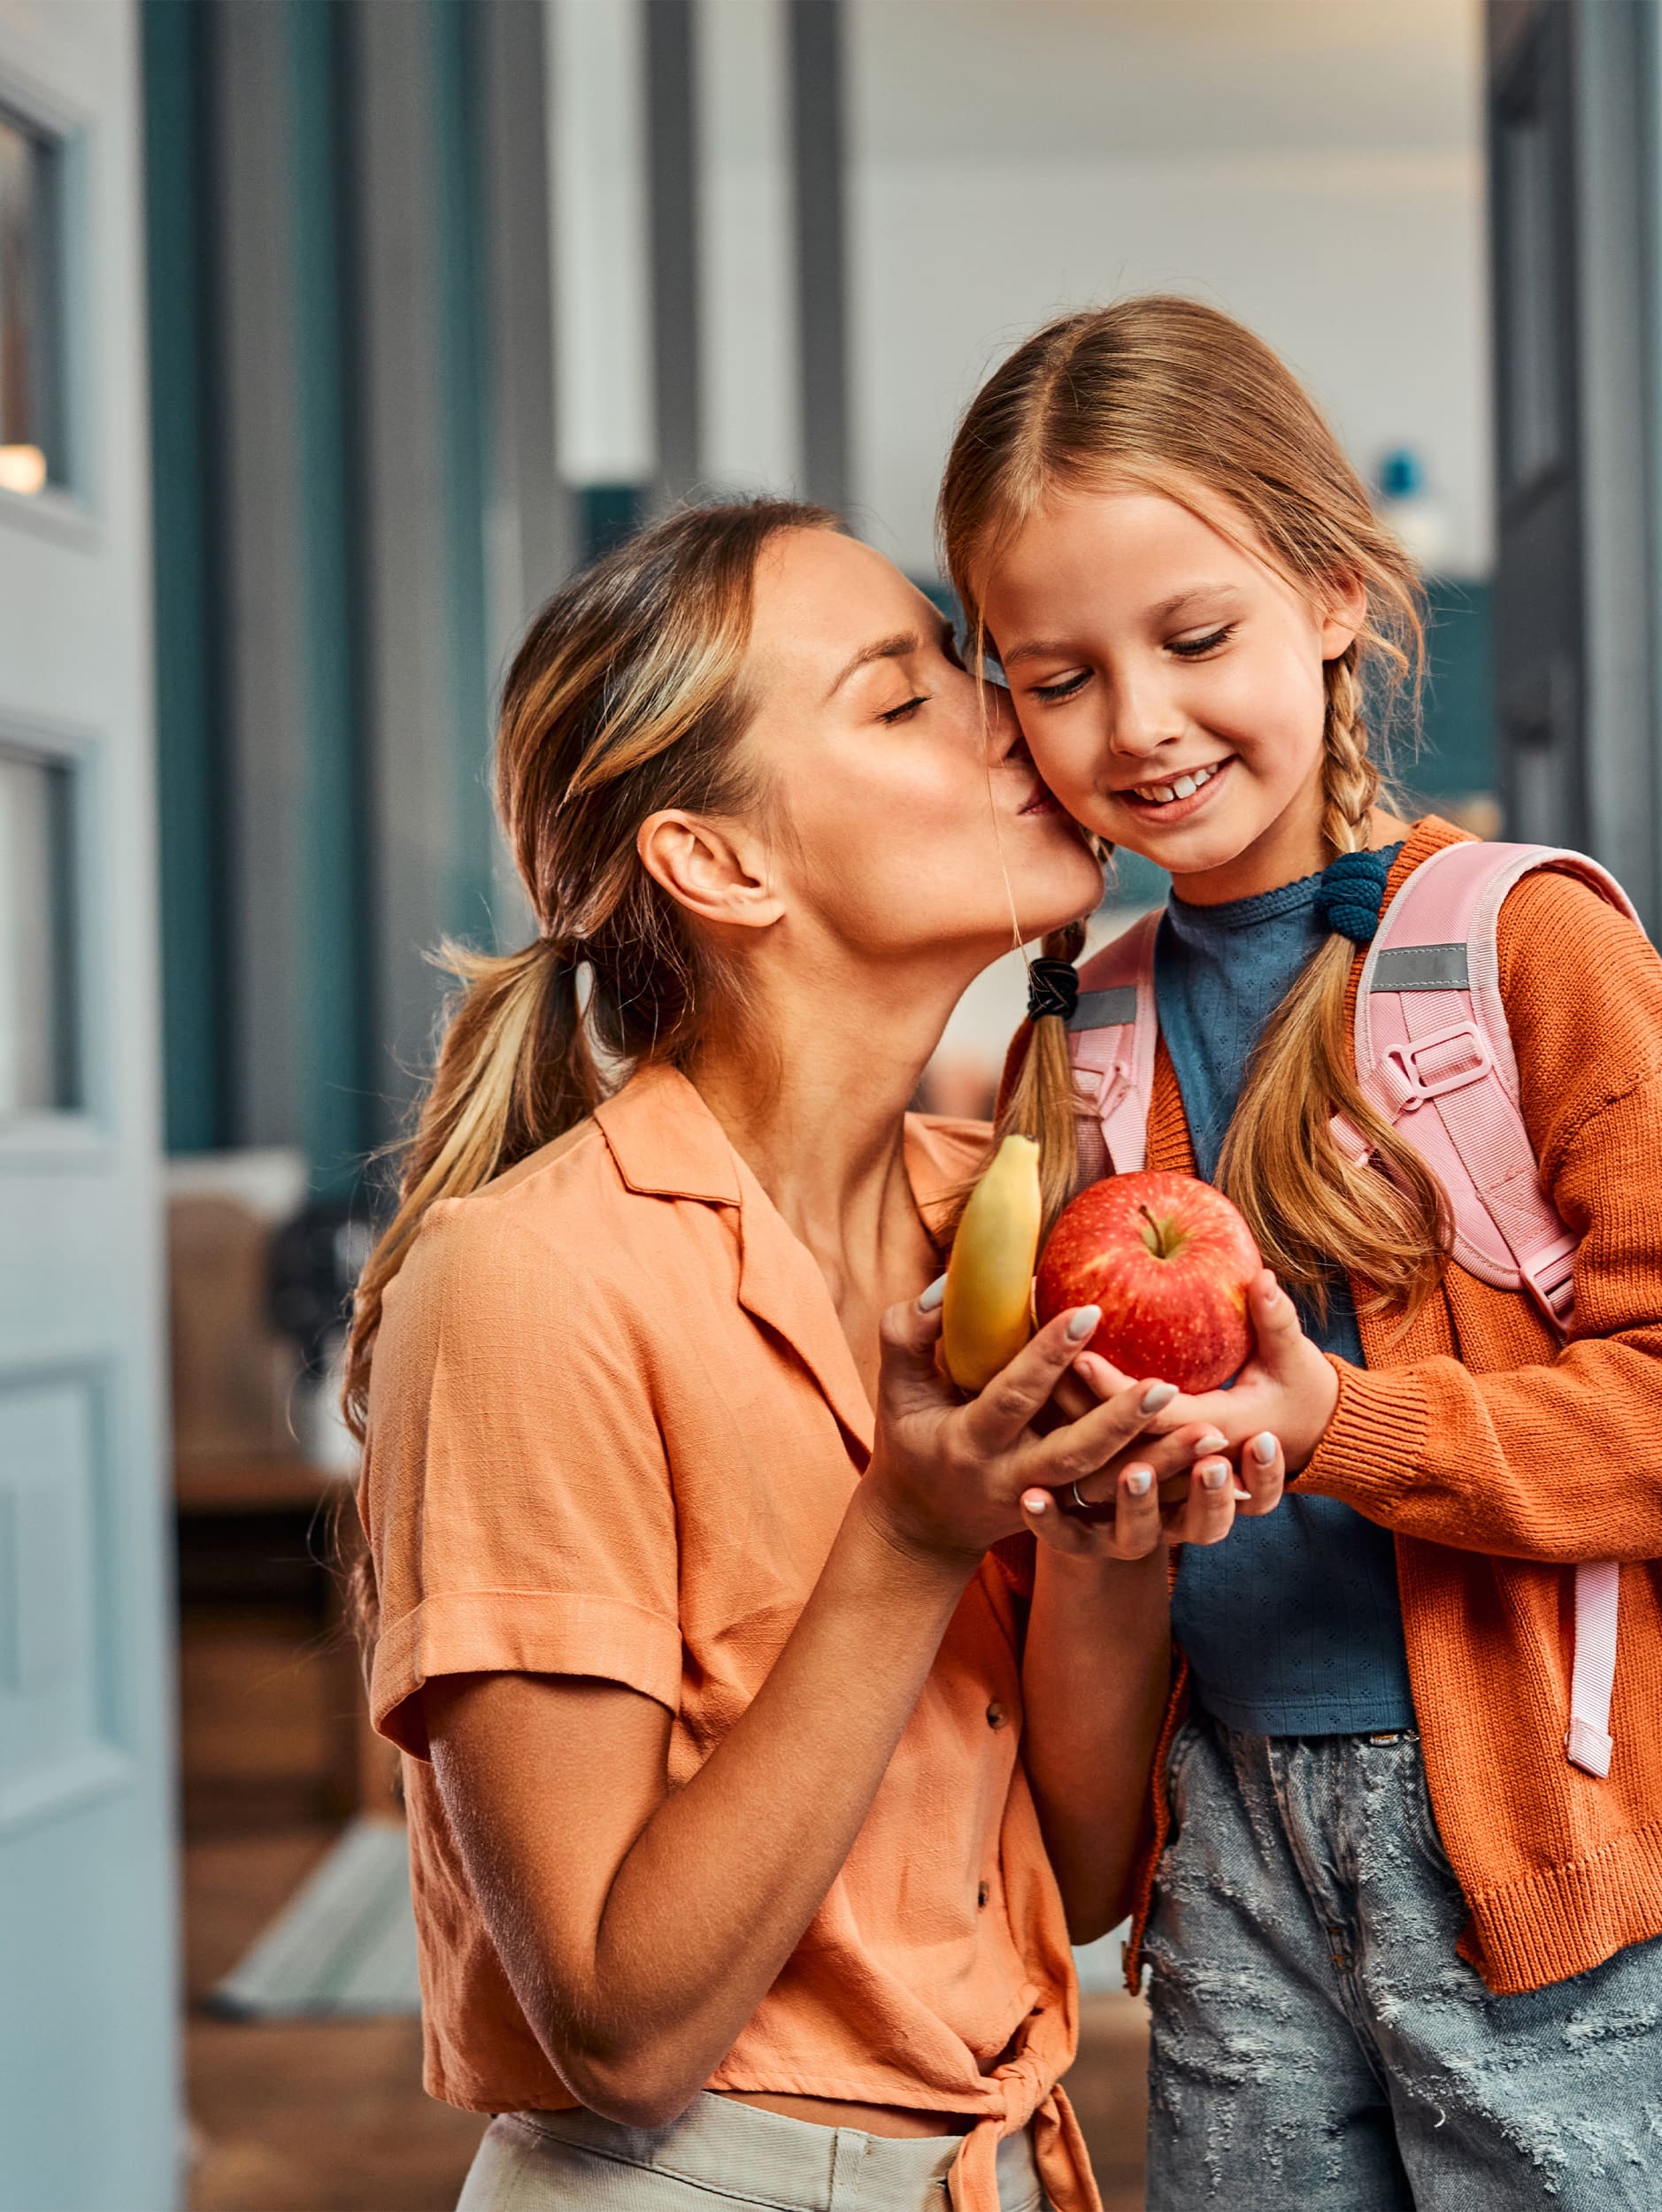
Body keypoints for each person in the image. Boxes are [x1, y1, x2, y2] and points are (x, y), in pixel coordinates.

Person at [938, 298, 1662, 2209]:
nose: (1138, 725)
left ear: (1332, 594)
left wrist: (1337, 1415)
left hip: (1530, 1836)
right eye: (1053, 674)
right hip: (1225, 1838)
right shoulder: (1073, 1028)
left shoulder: (1521, 948)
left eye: (1192, 638)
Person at [342, 499, 1285, 2212]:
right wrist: (909, 1535)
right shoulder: (528, 1285)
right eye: (903, 692)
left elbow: (1061, 1880)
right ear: (721, 862)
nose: (1014, 710)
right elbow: (618, 2028)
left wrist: (1107, 1543)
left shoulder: (1002, 1218)